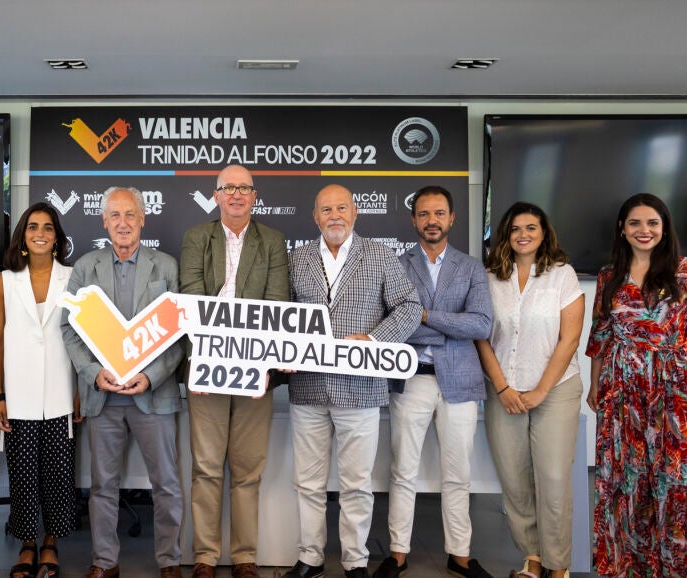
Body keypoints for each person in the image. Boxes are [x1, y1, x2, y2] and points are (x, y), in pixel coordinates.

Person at [586, 193, 687, 577]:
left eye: (652, 223)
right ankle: (632, 567)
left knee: (678, 483)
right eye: (635, 223)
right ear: (622, 228)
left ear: (664, 228)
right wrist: (594, 385)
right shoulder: (608, 276)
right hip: (622, 395)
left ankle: (678, 568)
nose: (644, 230)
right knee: (627, 483)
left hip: (677, 393)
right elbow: (600, 336)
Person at [284, 184, 422, 578]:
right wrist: (283, 352)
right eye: (326, 209)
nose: (335, 216)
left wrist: (375, 340)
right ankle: (310, 558)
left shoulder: (380, 255)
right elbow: (281, 312)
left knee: (357, 485)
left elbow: (410, 307)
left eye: (341, 208)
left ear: (355, 212)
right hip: (308, 387)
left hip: (360, 389)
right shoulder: (296, 259)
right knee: (308, 483)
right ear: (315, 217)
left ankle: (355, 561)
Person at [62, 187, 184, 578]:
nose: (123, 223)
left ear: (143, 218)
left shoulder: (166, 266)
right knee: (102, 486)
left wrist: (151, 377)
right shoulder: (86, 267)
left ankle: (170, 561)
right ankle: (104, 561)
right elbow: (69, 329)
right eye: (114, 215)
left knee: (166, 483)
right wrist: (92, 373)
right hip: (104, 396)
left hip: (154, 396)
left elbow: (180, 334)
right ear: (104, 222)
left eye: (130, 214)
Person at [179, 165, 290, 578]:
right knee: (206, 467)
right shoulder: (196, 237)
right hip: (207, 367)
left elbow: (275, 304)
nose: (237, 194)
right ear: (217, 195)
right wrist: (204, 363)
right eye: (229, 188)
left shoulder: (272, 241)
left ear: (254, 195)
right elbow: (192, 299)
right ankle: (205, 557)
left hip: (255, 370)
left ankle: (244, 557)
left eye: (244, 188)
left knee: (247, 470)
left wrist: (260, 365)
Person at [379, 185, 493, 578]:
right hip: (411, 379)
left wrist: (423, 316)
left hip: (459, 381)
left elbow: (480, 324)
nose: (432, 221)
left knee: (458, 473)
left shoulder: (471, 267)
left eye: (439, 213)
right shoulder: (396, 264)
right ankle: (397, 554)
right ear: (414, 220)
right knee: (402, 470)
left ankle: (459, 555)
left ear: (451, 218)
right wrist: (449, 325)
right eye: (424, 214)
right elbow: (392, 326)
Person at [476, 202, 584, 578]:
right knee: (514, 480)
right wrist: (502, 387)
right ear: (505, 235)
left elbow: (570, 339)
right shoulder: (489, 277)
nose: (523, 235)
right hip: (504, 389)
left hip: (555, 390)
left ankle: (558, 566)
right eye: (515, 229)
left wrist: (540, 391)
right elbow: (481, 336)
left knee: (553, 479)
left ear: (543, 233)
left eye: (531, 228)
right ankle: (533, 558)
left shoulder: (562, 275)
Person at [0, 202, 80, 578]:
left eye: (47, 227)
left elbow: (82, 337)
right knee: (23, 473)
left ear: (57, 237)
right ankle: (27, 543)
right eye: (32, 227)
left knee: (59, 474)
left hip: (61, 389)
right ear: (22, 236)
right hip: (18, 392)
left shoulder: (74, 278)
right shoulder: (5, 281)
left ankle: (51, 543)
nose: (40, 233)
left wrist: (79, 389)